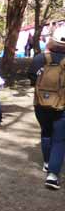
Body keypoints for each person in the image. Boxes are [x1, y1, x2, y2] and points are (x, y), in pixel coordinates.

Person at [28, 26, 65, 190]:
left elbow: (31, 79)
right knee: (59, 139)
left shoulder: (39, 58)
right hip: (62, 105)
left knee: (46, 132)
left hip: (41, 103)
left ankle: (47, 163)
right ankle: (52, 175)